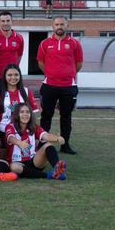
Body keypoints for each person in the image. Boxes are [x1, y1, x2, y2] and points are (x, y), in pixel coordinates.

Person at [37, 16, 83, 154]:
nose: (59, 27)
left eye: (62, 24)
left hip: (68, 86)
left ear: (66, 26)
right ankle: (42, 144)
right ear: (53, 26)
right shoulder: (45, 43)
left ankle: (65, 145)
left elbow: (79, 63)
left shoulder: (74, 43)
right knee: (46, 115)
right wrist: (51, 74)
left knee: (66, 117)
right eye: (57, 24)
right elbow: (40, 62)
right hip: (49, 85)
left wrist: (67, 74)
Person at [4, 103, 67, 180]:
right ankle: (48, 175)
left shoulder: (34, 127)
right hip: (18, 163)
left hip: (34, 161)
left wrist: (57, 138)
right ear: (17, 114)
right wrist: (19, 143)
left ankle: (58, 169)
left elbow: (45, 135)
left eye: (27, 112)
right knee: (14, 167)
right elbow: (10, 138)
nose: (25, 114)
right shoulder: (10, 126)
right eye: (22, 112)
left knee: (47, 145)